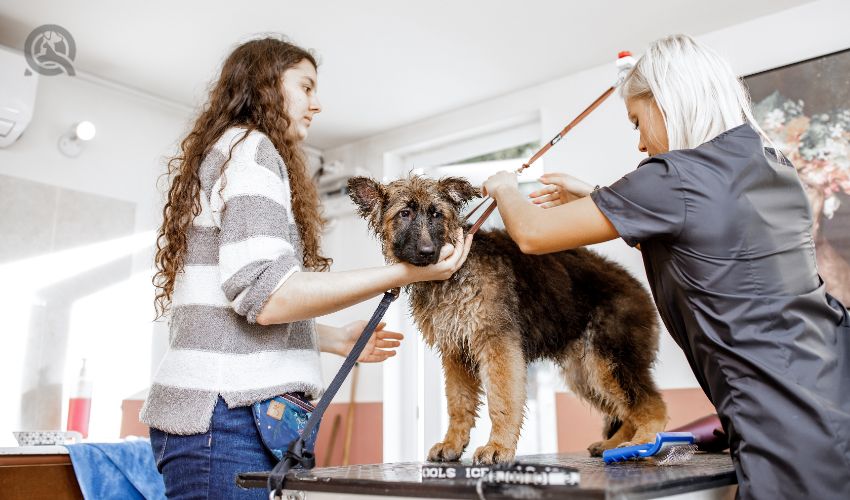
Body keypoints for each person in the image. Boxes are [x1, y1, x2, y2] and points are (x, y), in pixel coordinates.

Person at [483, 34, 850, 499]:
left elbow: (532, 234)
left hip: (780, 415)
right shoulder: (771, 166)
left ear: (667, 101)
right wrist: (597, 195)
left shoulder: (673, 177)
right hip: (832, 385)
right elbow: (700, 254)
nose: (639, 143)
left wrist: (503, 186)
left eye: (637, 121)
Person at [142, 37, 473, 499]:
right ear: (265, 86)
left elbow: (232, 308)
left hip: (228, 415)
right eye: (306, 87)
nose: (317, 105)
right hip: (227, 418)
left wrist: (336, 339)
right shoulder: (251, 150)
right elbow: (268, 297)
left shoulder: (232, 151)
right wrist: (409, 274)